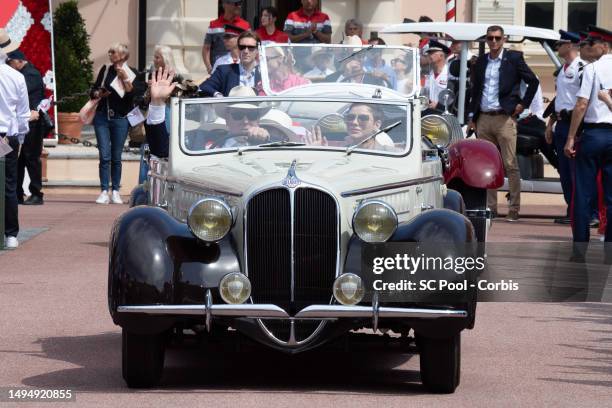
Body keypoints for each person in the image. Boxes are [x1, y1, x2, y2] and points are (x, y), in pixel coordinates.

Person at [468, 25, 539, 222]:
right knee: (486, 164)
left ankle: (514, 208)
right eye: (490, 38)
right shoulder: (481, 61)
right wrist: (472, 118)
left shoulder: (513, 58)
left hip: (504, 117)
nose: (493, 42)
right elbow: (475, 90)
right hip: (483, 118)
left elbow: (533, 81)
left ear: (504, 39)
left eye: (497, 38)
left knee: (510, 164)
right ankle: (490, 207)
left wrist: (522, 105)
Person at [564, 26, 612, 250]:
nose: (588, 47)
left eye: (591, 43)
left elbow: (581, 104)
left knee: (583, 192)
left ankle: (580, 244)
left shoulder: (593, 69)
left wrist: (571, 137)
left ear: (604, 46)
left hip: (594, 133)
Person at [544, 31, 587, 224]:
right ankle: (572, 210)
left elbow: (583, 100)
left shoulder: (582, 68)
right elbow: (559, 100)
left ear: (570, 45)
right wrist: (550, 123)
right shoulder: (563, 69)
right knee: (565, 172)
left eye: (560, 43)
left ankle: (584, 212)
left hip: (575, 125)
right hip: (561, 123)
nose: (557, 47)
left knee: (575, 171)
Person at [90, 43, 138, 205]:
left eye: (113, 52)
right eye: (109, 51)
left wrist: (124, 77)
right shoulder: (105, 70)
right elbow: (93, 91)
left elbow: (132, 96)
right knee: (104, 155)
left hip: (121, 118)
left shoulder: (132, 72)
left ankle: (116, 190)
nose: (110, 54)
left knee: (116, 157)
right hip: (102, 117)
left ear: (123, 55)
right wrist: (99, 93)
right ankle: (104, 191)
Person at [0, 29, 30, 249]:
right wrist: (20, 136)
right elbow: (23, 114)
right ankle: (10, 234)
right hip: (6, 136)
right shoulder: (16, 77)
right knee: (10, 184)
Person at [6, 50, 45, 205]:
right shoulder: (24, 73)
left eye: (11, 63)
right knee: (20, 160)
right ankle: (17, 193)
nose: (9, 66)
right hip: (23, 122)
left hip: (32, 123)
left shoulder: (30, 74)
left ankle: (36, 193)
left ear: (18, 61)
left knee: (31, 158)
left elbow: (19, 94)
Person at [305, 103, 395, 150]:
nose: (354, 122)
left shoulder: (392, 154)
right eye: (350, 117)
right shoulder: (338, 153)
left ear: (377, 124)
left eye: (363, 118)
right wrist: (319, 154)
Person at [200, 31, 263, 97]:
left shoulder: (264, 74)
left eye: (251, 47)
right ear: (238, 49)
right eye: (242, 47)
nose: (246, 51)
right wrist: (218, 95)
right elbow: (205, 86)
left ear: (257, 50)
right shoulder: (224, 70)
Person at [202, 0, 250, 74]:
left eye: (240, 3)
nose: (239, 6)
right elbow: (206, 48)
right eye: (236, 4)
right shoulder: (213, 24)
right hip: (219, 70)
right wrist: (209, 69)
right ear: (225, 4)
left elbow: (250, 47)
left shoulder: (245, 25)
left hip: (240, 70)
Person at [423, 40, 450, 109]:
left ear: (441, 55)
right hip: (428, 111)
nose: (428, 55)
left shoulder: (449, 74)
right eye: (428, 53)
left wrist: (438, 106)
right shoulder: (430, 74)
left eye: (431, 53)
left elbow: (452, 99)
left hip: (442, 113)